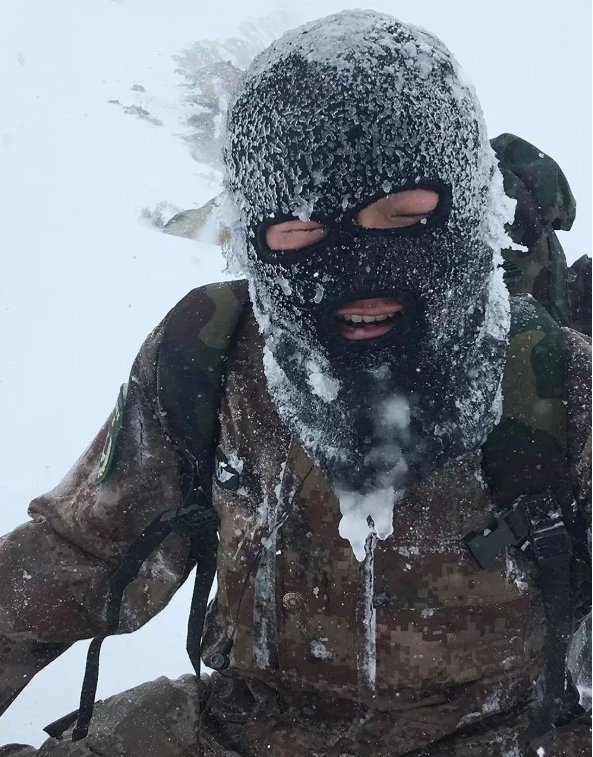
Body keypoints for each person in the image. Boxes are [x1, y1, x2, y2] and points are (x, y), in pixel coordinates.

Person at [0, 10, 590, 757]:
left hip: (505, 733)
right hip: (245, 729)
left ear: (463, 209)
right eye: (302, 232)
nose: (358, 269)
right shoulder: (209, 351)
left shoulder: (559, 380)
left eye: (402, 214)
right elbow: (77, 556)